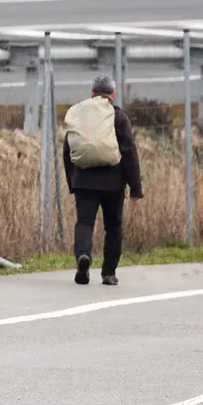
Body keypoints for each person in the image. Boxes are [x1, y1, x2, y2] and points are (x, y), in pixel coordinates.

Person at [62, 75, 142, 287]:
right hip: (113, 184)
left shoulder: (80, 116)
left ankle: (83, 256)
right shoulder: (119, 117)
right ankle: (109, 272)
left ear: (91, 93)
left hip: (84, 181)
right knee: (113, 227)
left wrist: (73, 181)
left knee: (85, 223)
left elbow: (67, 150)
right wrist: (135, 187)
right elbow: (129, 152)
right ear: (112, 94)